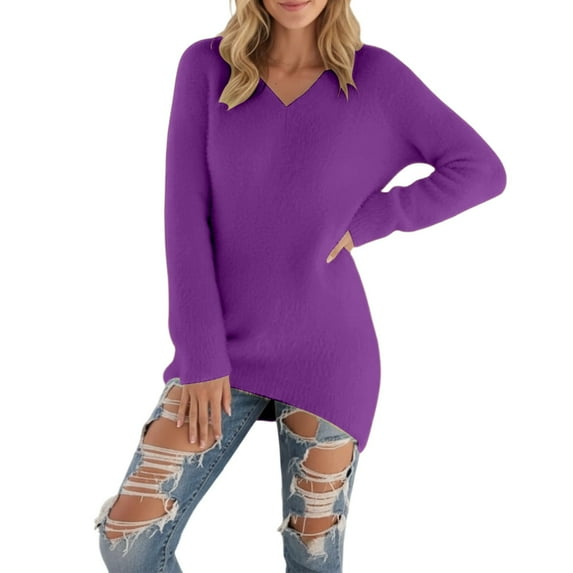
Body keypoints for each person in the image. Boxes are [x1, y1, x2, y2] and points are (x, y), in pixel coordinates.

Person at [94, 1, 507, 571]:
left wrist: (374, 219)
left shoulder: (376, 78)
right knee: (130, 539)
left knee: (312, 560)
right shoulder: (207, 67)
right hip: (220, 351)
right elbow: (184, 220)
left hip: (328, 354)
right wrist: (200, 356)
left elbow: (481, 169)